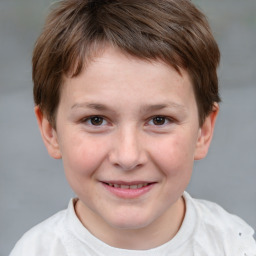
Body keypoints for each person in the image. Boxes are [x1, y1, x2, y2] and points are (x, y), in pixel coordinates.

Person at [10, 0, 256, 255]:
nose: (128, 157)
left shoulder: (236, 247)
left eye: (159, 120)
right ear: (51, 132)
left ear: (203, 132)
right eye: (96, 120)